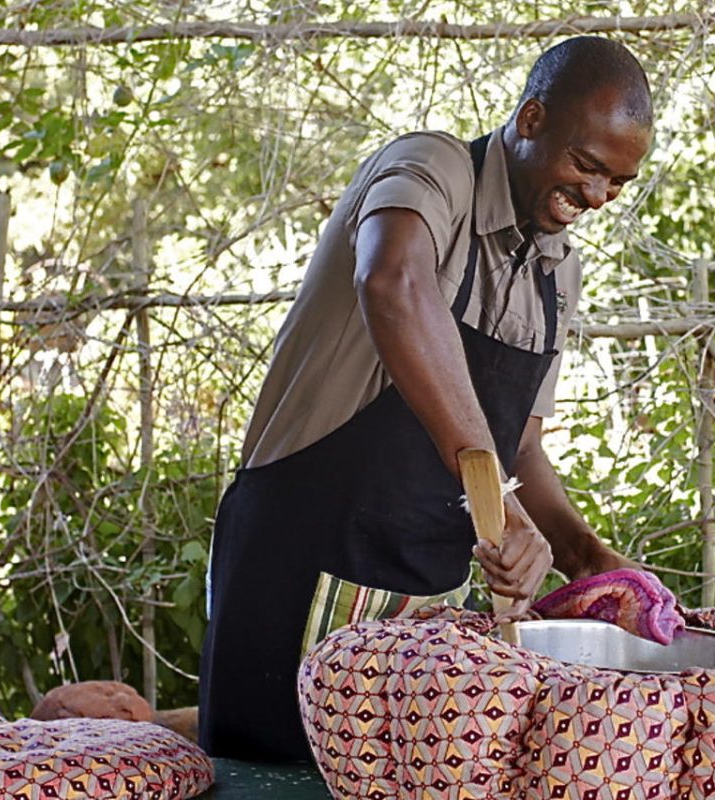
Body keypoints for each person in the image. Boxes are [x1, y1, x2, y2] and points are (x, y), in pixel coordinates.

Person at [199, 35, 654, 762]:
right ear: (531, 120)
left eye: (618, 183)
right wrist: (488, 491)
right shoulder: (432, 167)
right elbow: (394, 285)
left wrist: (586, 556)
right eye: (586, 165)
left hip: (427, 612)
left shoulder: (556, 272)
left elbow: (520, 448)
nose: (597, 196)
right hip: (298, 561)